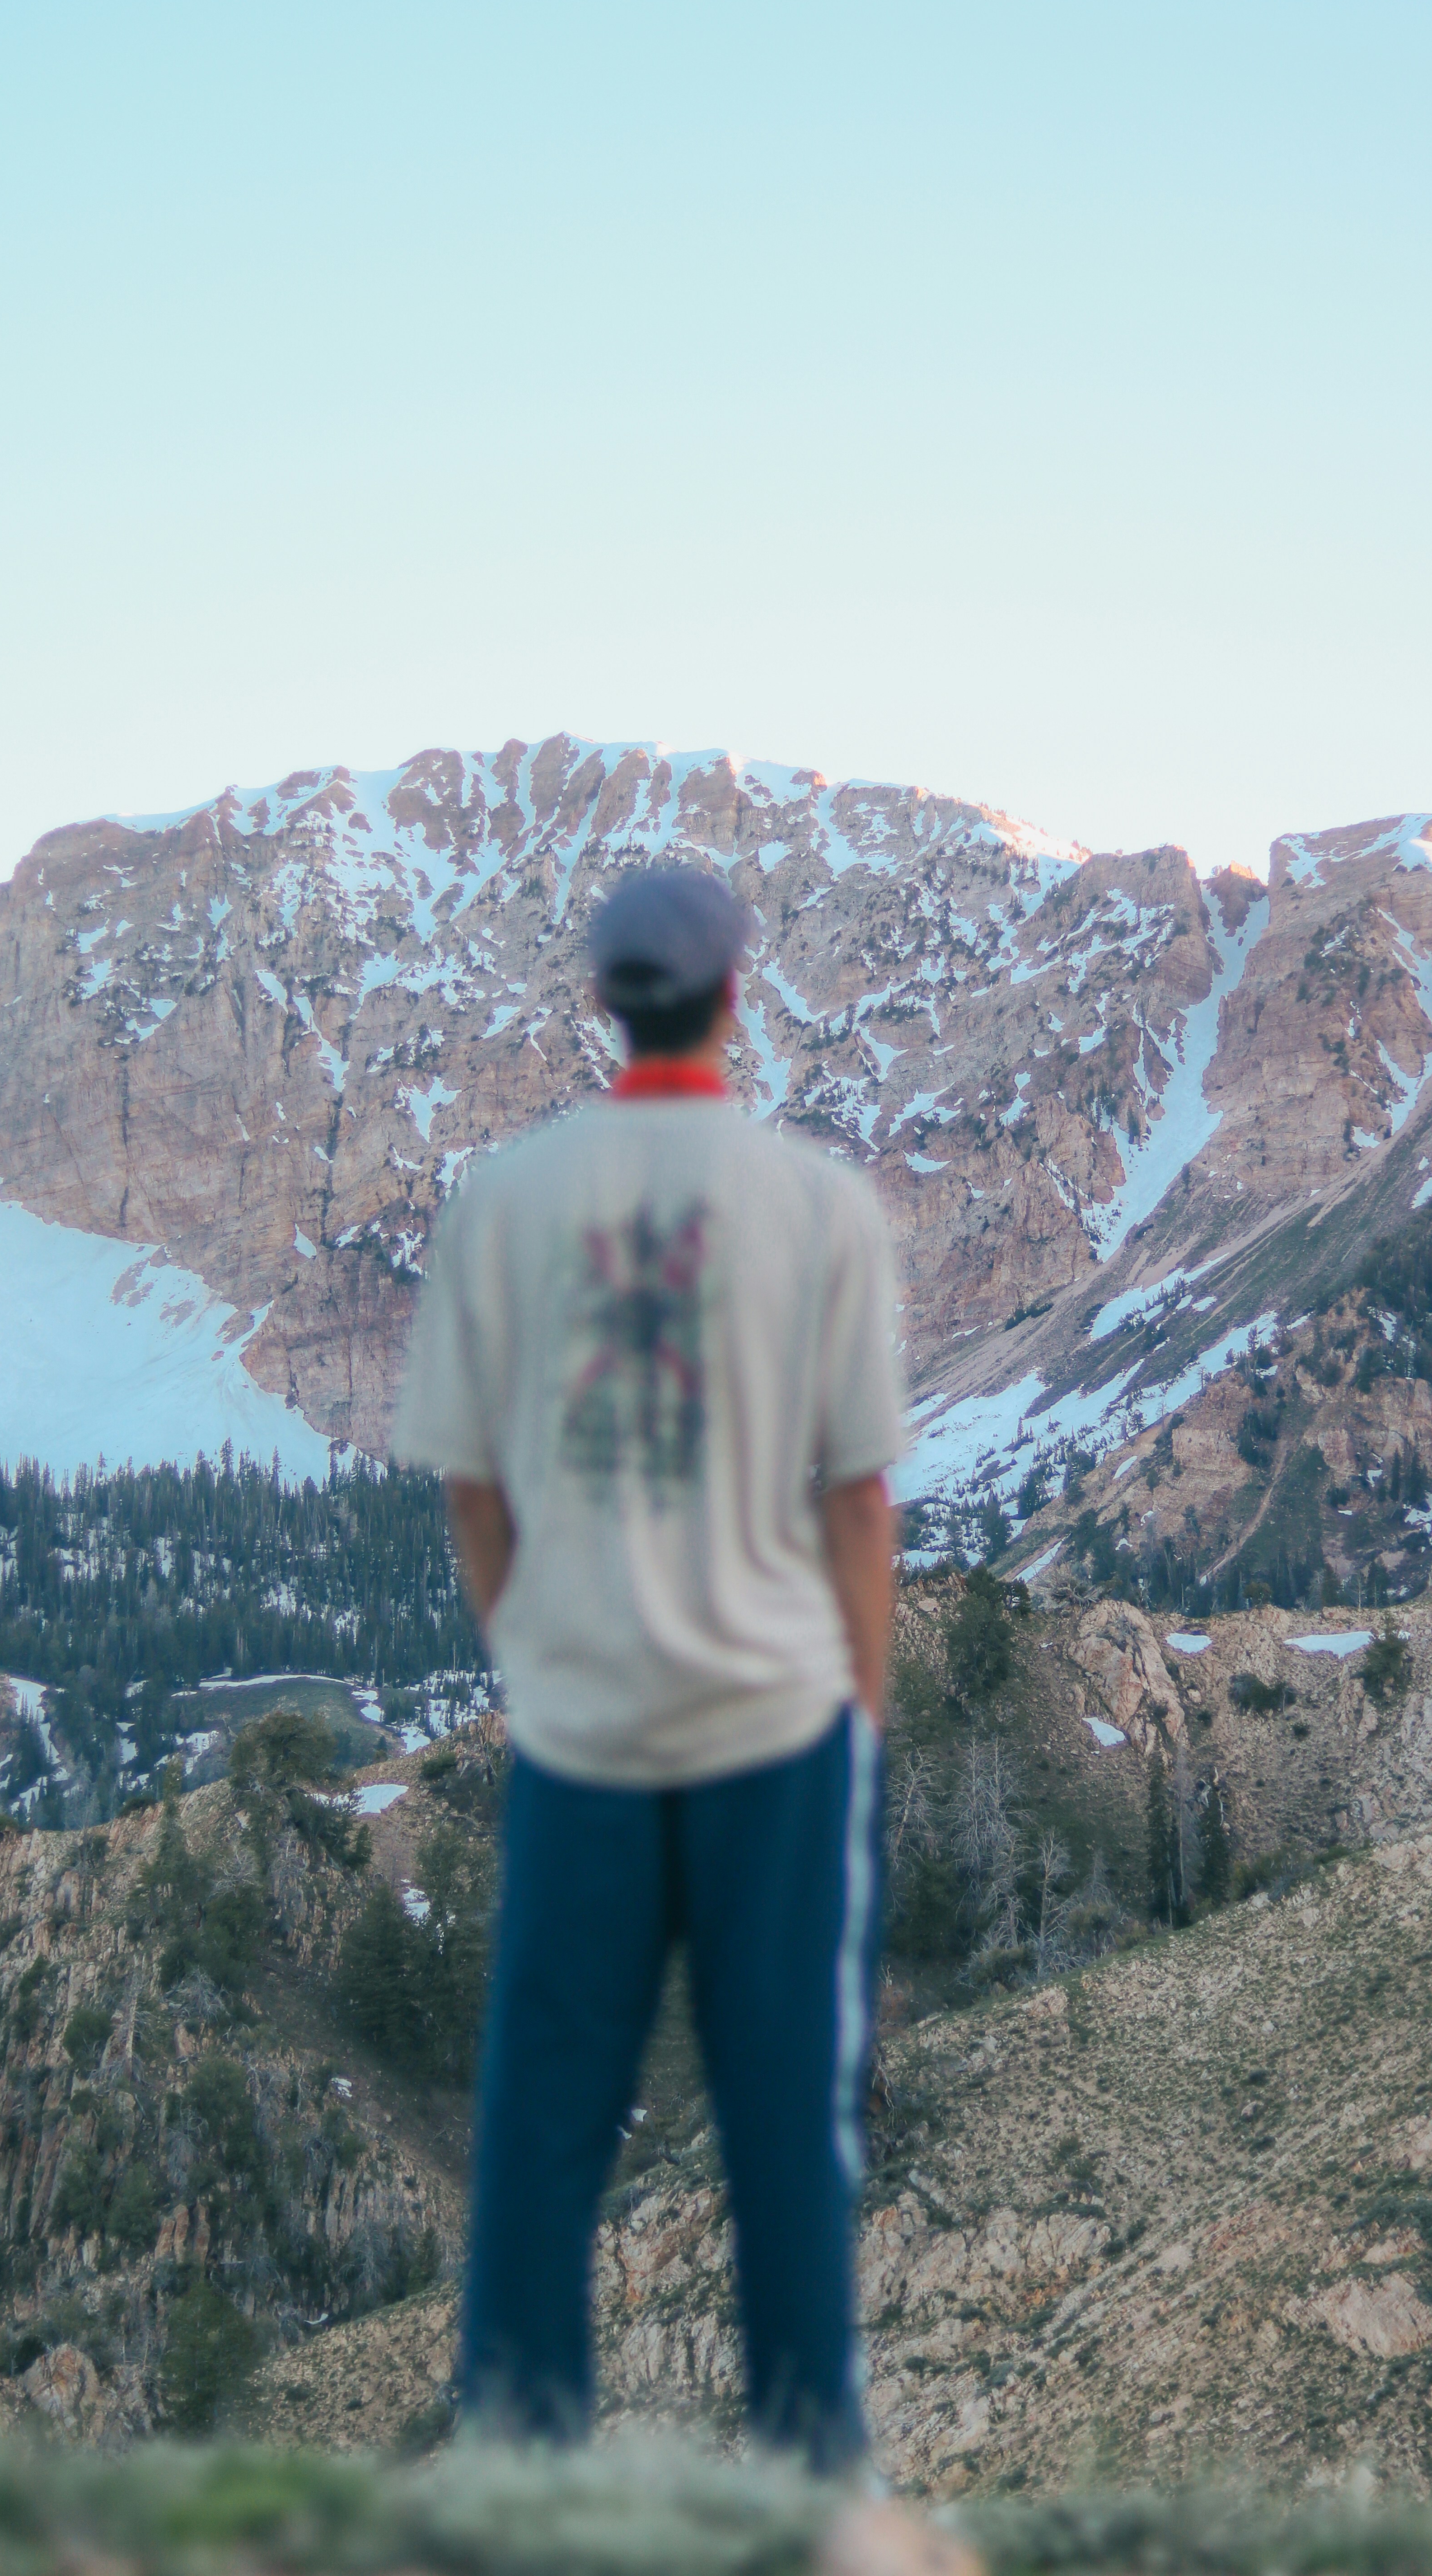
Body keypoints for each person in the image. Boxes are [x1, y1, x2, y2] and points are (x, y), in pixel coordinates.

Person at [393, 859, 903, 2468]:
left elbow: (473, 1489)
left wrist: (537, 1652)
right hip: (776, 1736)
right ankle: (810, 2480)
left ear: (602, 1003)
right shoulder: (820, 1204)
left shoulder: (504, 1203)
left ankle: (520, 2480)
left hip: (586, 1740)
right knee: (786, 2134)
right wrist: (862, 1718)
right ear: (738, 995)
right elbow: (858, 1502)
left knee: (542, 2134)